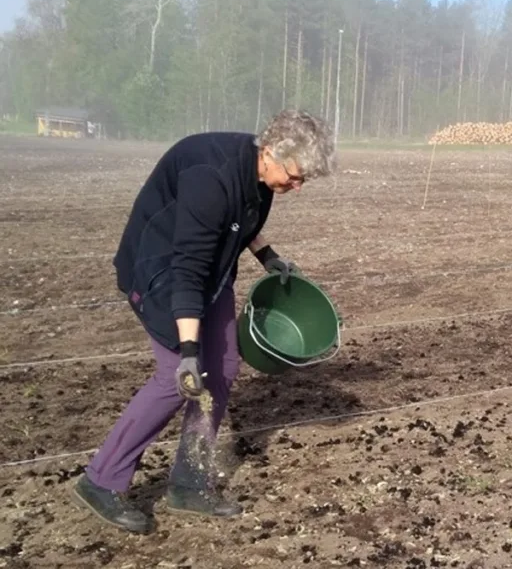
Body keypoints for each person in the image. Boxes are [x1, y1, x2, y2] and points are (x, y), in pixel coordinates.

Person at [73, 110, 335, 535]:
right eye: (295, 175)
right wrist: (190, 352)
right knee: (174, 377)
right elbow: (188, 268)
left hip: (209, 272)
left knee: (225, 368)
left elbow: (241, 219)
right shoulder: (209, 177)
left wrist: (268, 256)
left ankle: (190, 483)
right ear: (270, 153)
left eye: (305, 179)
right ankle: (101, 479)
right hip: (162, 274)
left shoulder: (259, 174)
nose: (298, 186)